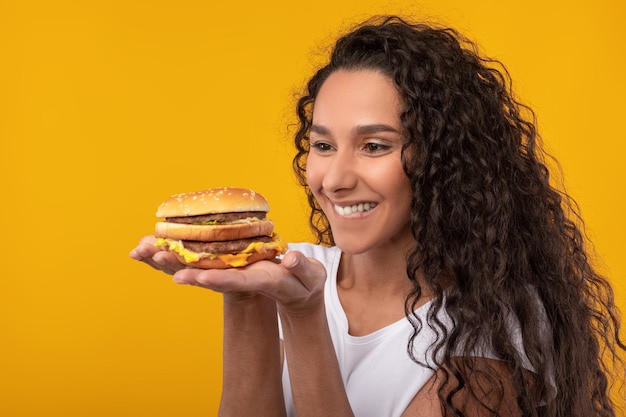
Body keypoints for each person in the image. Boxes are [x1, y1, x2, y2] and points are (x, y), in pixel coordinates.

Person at [130, 15, 625, 417]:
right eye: (323, 145)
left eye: (374, 145)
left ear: (443, 159)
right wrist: (246, 299)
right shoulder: (288, 269)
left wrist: (304, 316)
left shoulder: (494, 320)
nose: (335, 178)